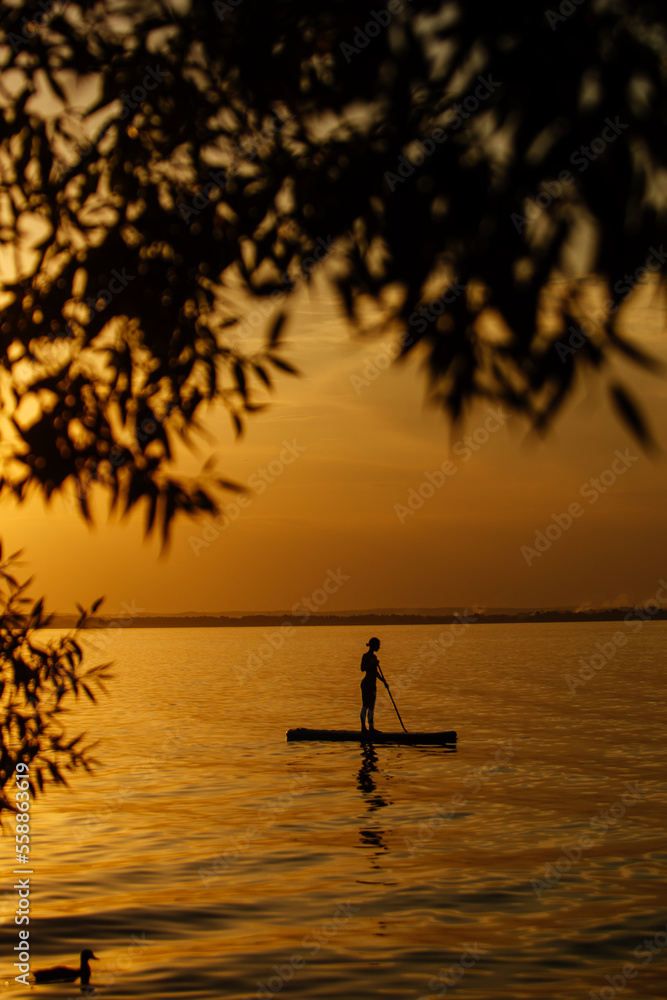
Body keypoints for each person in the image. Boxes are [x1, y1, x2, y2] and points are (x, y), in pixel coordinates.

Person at [360, 637, 386, 731]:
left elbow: (375, 672)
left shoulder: (374, 657)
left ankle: (371, 727)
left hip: (373, 684)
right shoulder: (366, 656)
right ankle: (363, 728)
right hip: (366, 684)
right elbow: (362, 668)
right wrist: (372, 663)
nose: (379, 647)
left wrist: (383, 681)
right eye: (378, 645)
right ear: (373, 646)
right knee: (365, 705)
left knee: (372, 706)